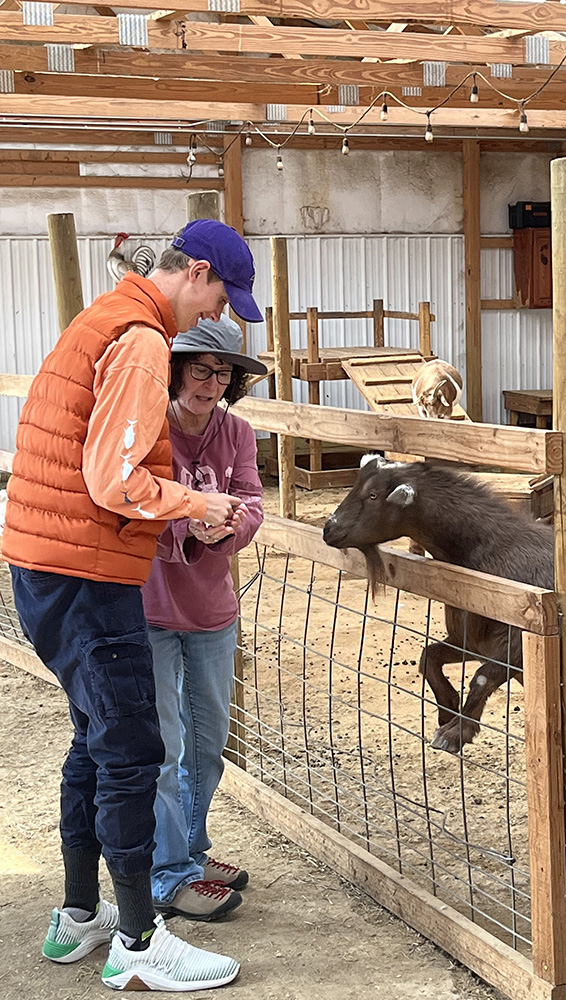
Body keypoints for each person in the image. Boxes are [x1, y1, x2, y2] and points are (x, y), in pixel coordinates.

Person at [2, 218, 264, 992]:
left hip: (46, 561)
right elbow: (113, 479)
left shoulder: (103, 319)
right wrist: (195, 505)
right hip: (87, 571)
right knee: (130, 754)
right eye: (220, 294)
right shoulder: (144, 341)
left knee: (93, 744)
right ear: (199, 272)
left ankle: (82, 916)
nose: (214, 312)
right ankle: (141, 946)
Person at [142, 315, 264, 920]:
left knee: (209, 742)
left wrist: (227, 527)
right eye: (199, 368)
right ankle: (168, 874)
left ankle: (189, 846)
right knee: (163, 744)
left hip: (213, 608)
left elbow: (253, 501)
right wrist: (184, 517)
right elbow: (128, 498)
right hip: (151, 605)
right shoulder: (149, 426)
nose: (211, 382)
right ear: (176, 368)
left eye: (223, 372)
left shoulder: (237, 433)